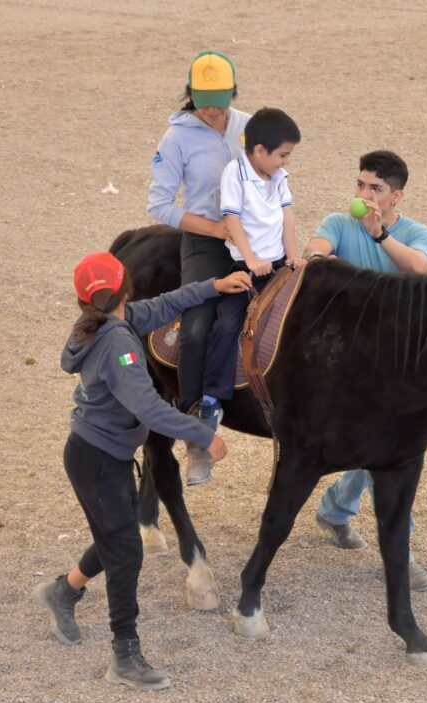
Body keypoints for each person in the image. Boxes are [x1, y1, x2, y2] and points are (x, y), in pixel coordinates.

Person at [32, 251, 251, 691]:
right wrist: (204, 435)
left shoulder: (110, 321)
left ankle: (63, 592)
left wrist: (213, 286)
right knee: (126, 552)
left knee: (116, 537)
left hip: (96, 454)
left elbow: (166, 304)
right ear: (126, 288)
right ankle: (124, 654)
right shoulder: (119, 344)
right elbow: (148, 406)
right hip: (98, 459)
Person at [301, 150, 427, 591]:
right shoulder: (338, 224)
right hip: (342, 365)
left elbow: (419, 269)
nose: (363, 195)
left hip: (394, 365)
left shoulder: (416, 233)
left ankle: (336, 508)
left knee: (381, 448)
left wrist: (379, 237)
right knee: (386, 450)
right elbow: (315, 257)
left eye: (375, 188)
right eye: (361, 185)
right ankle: (402, 553)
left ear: (396, 195)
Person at [147, 49, 251, 486]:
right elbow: (160, 206)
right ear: (189, 94)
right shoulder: (176, 139)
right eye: (203, 97)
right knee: (195, 326)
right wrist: (214, 228)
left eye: (220, 96)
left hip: (252, 238)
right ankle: (196, 435)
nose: (212, 106)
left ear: (233, 91)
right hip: (206, 243)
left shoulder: (249, 126)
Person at [199, 108, 303, 427]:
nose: (285, 162)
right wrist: (251, 259)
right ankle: (211, 399)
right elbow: (232, 218)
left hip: (277, 267)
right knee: (227, 324)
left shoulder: (279, 177)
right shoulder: (235, 173)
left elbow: (286, 216)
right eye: (282, 155)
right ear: (259, 151)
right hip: (246, 267)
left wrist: (293, 254)